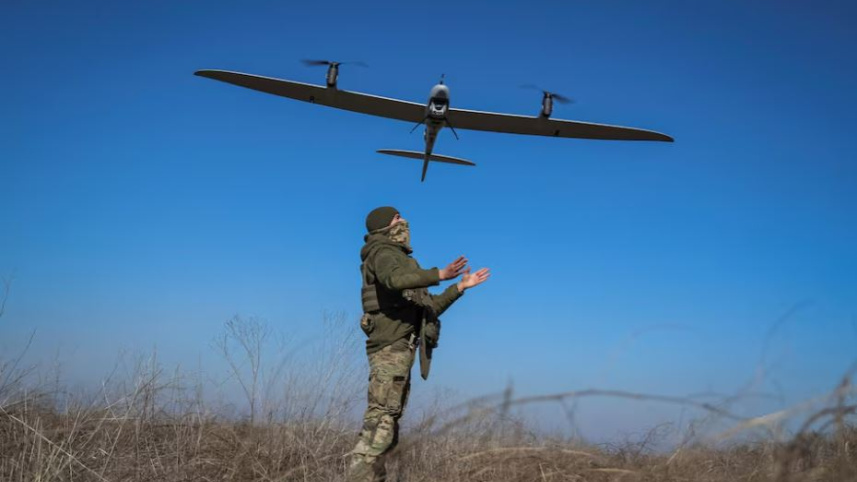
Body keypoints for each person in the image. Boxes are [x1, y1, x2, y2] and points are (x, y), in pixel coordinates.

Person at [347, 206, 490, 482]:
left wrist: (459, 287)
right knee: (381, 421)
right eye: (397, 218)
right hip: (390, 347)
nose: (403, 221)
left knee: (388, 424)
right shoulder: (383, 253)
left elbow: (428, 306)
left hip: (401, 349)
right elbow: (393, 280)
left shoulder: (401, 260)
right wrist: (439, 274)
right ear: (383, 226)